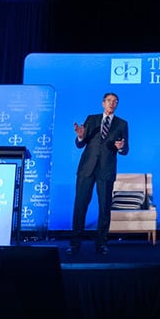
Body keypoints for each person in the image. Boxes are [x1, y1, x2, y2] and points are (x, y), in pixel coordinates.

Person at [67, 92, 129, 255]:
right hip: (86, 169)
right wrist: (80, 137)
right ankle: (75, 244)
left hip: (106, 170)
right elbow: (80, 144)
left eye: (115, 101)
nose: (112, 103)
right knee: (80, 206)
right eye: (109, 101)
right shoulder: (91, 119)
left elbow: (125, 150)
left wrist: (120, 147)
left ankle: (101, 243)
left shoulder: (122, 124)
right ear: (103, 103)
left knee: (104, 208)